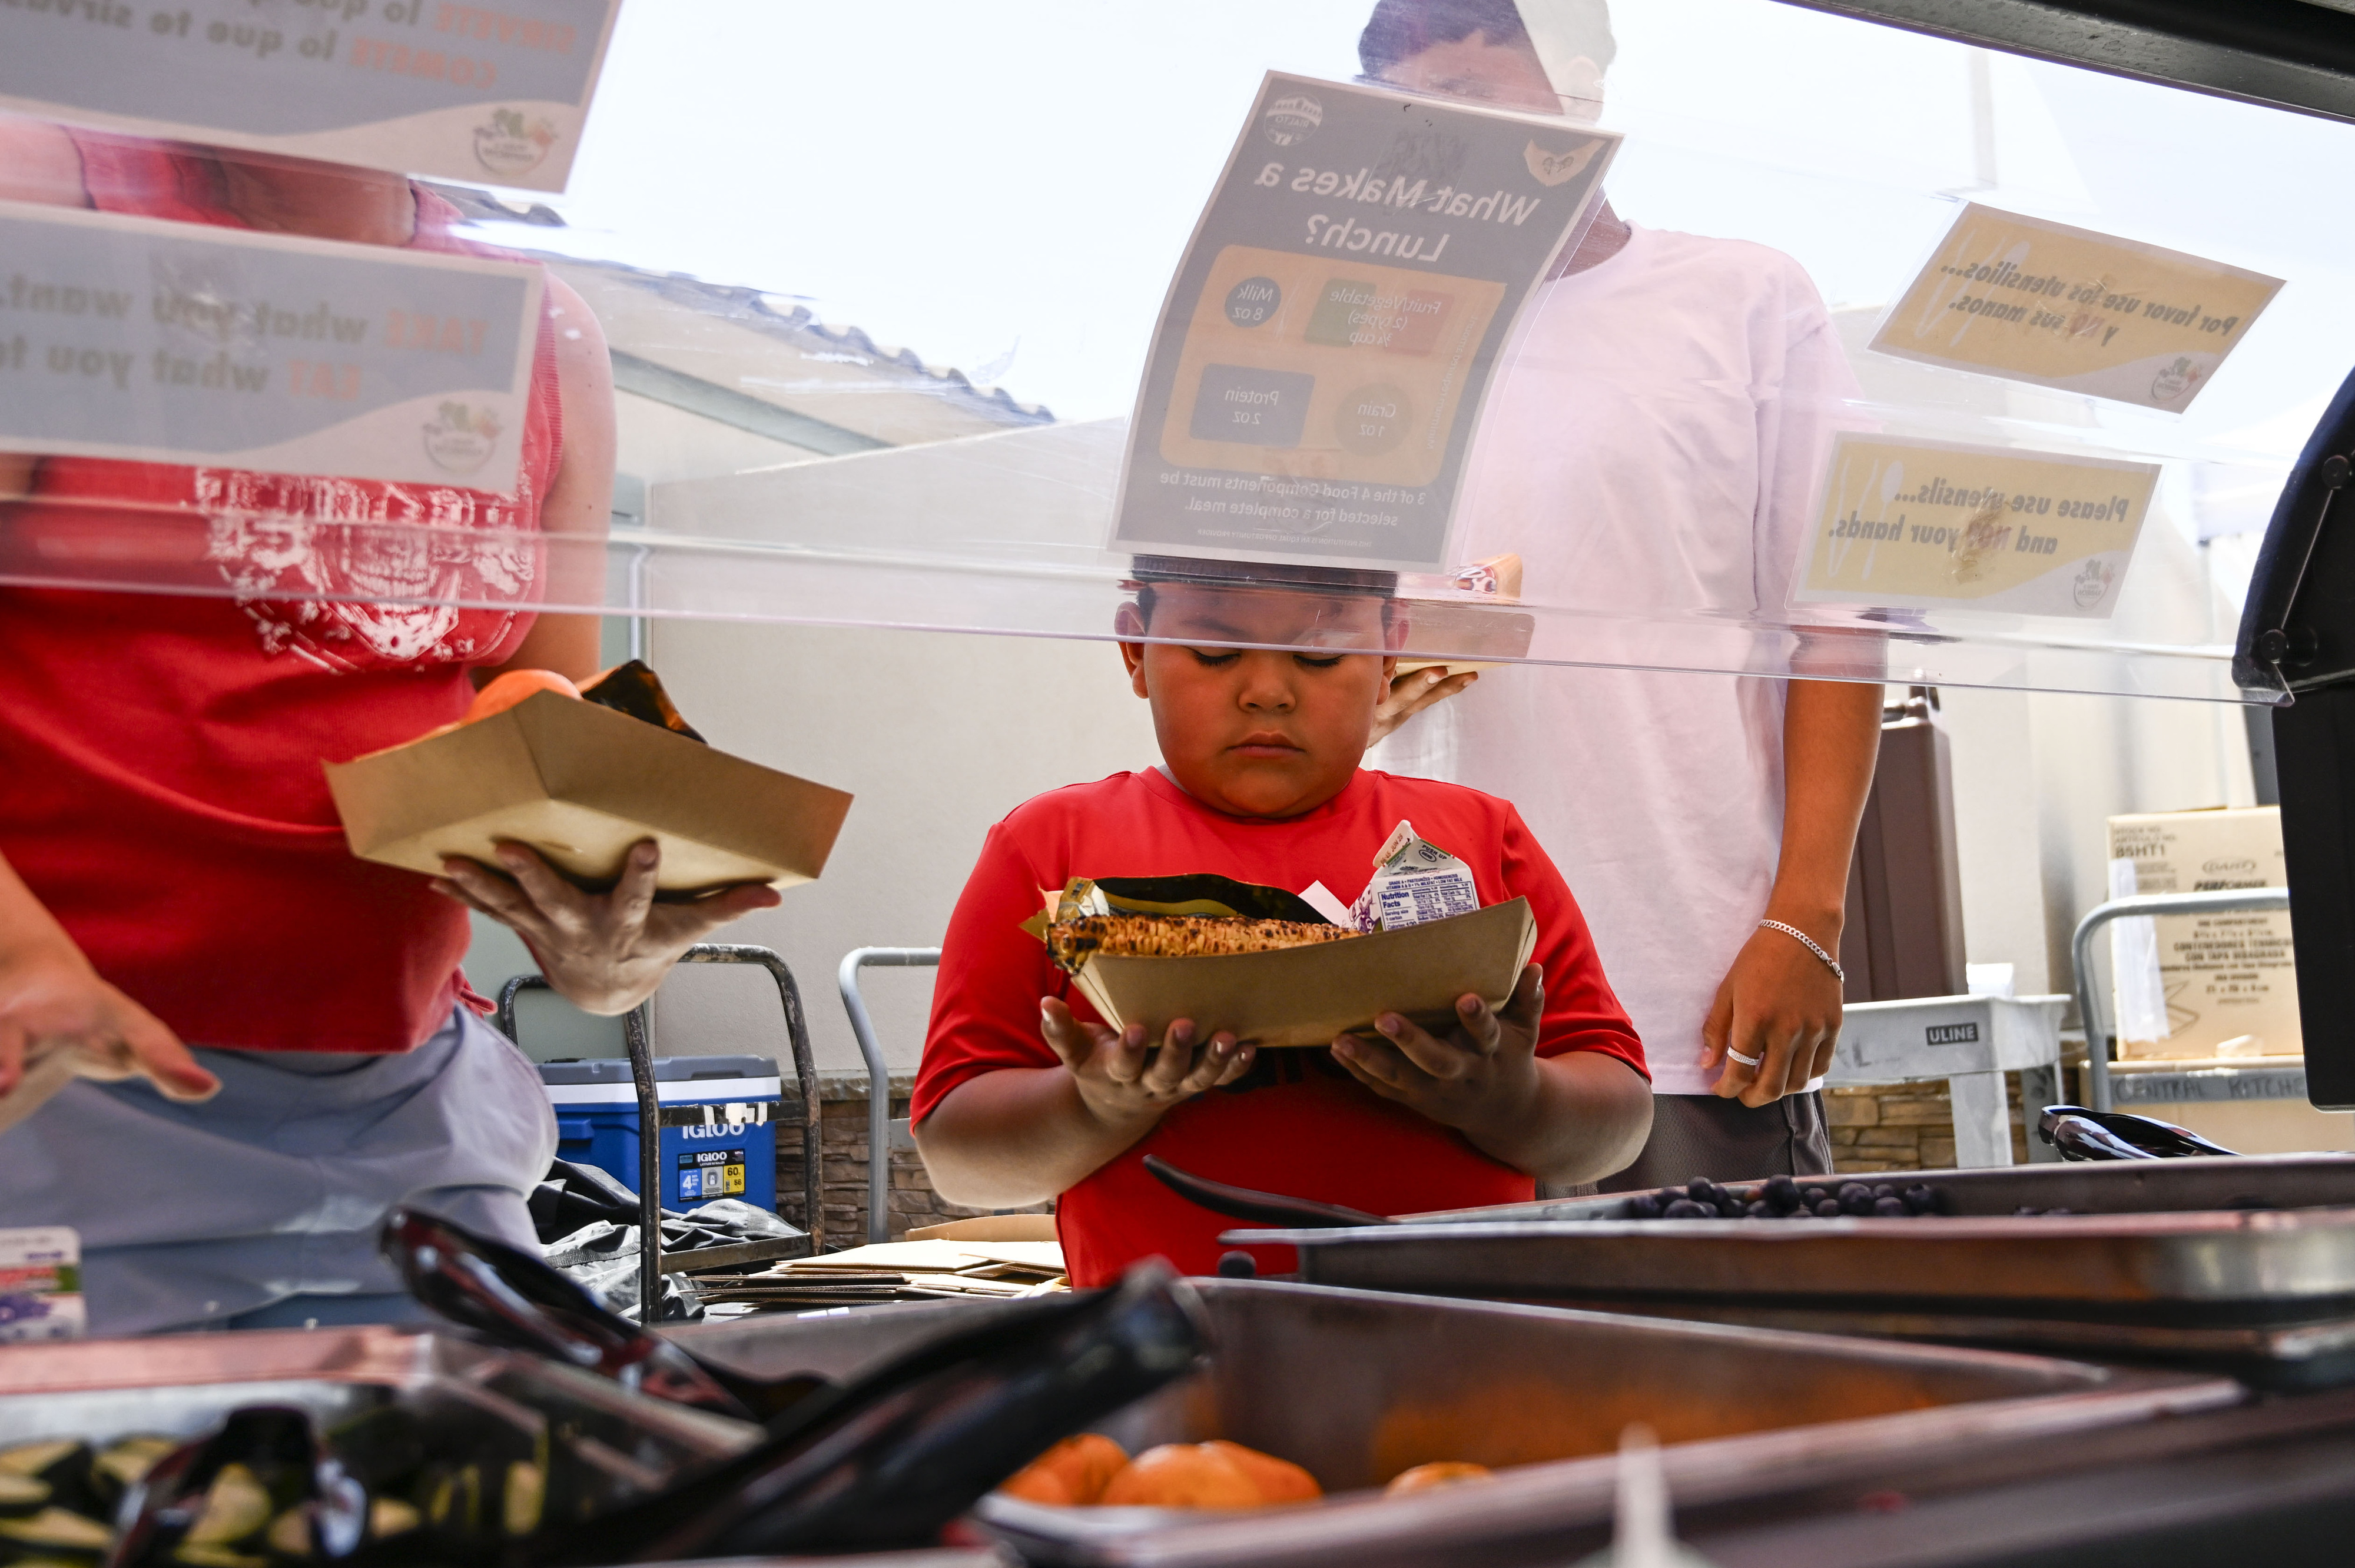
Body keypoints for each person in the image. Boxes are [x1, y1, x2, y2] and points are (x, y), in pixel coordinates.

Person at [0, 118, 780, 1335]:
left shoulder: (543, 328)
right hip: (65, 1097)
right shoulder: (43, 196)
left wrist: (607, 943)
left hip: (414, 1114)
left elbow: (532, 725)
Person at [1360, 0, 1886, 1187]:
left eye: (1471, 100)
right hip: (1394, 1004)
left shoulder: (1740, 298)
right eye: (1407, 116)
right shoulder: (1347, 344)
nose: (1438, 143)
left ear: (1583, 93)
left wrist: (1804, 920)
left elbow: (1838, 627)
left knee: (1722, 1363)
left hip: (1675, 993)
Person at [911, 560, 1652, 1284]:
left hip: (1458, 1353)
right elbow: (958, 1158)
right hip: (1176, 1366)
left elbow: (1616, 1122)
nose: (1267, 692)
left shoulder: (1480, 837)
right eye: (1214, 651)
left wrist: (1508, 1100)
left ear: (1391, 648)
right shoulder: (1050, 847)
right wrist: (1095, 1105)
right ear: (1135, 649)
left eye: (1320, 654)